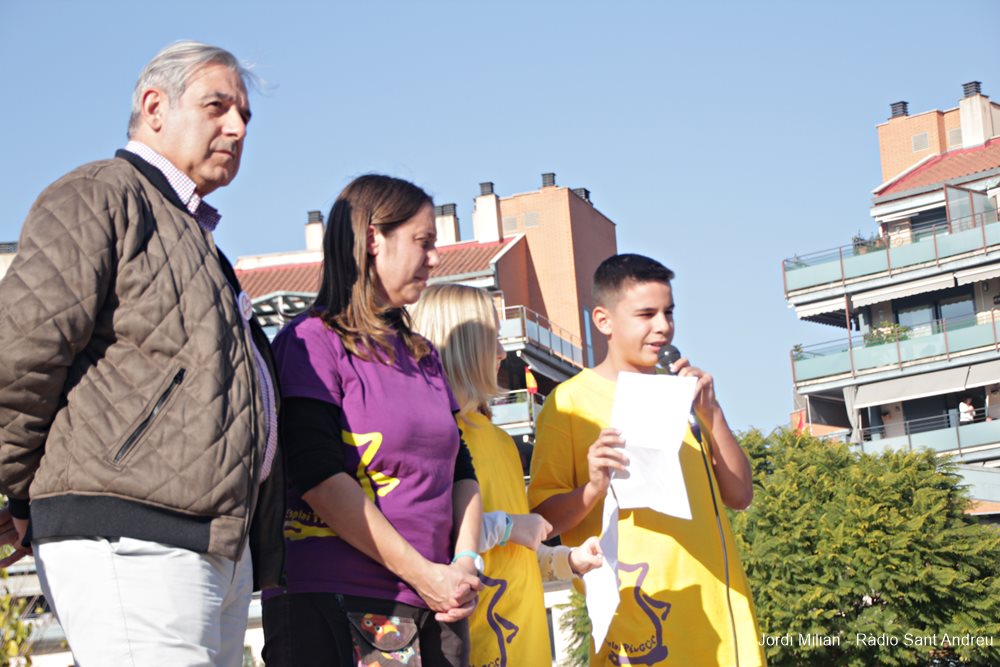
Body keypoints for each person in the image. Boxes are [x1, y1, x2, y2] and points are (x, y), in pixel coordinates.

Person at [0, 41, 283, 666]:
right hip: (130, 535)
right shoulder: (99, 195)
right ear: (154, 107)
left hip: (211, 542)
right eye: (217, 107)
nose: (237, 128)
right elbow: (19, 357)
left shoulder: (194, 237)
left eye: (244, 116)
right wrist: (20, 496)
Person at [261, 175, 482, 667]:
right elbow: (317, 476)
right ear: (372, 240)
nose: (435, 259)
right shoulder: (311, 342)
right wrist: (424, 575)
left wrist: (465, 564)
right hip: (337, 599)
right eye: (423, 241)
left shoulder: (424, 355)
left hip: (437, 603)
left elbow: (461, 469)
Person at [527, 253, 766, 666]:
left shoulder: (684, 395)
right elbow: (542, 521)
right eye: (646, 314)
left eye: (668, 312)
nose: (663, 326)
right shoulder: (568, 404)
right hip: (639, 625)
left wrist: (712, 413)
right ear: (604, 320)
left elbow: (740, 495)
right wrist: (593, 488)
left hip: (721, 619)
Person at [411, 283, 604, 667]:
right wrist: (509, 527)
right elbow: (425, 537)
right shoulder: (430, 437)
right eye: (492, 340)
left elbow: (517, 551)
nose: (502, 352)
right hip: (470, 649)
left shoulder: (500, 441)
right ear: (461, 348)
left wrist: (568, 560)